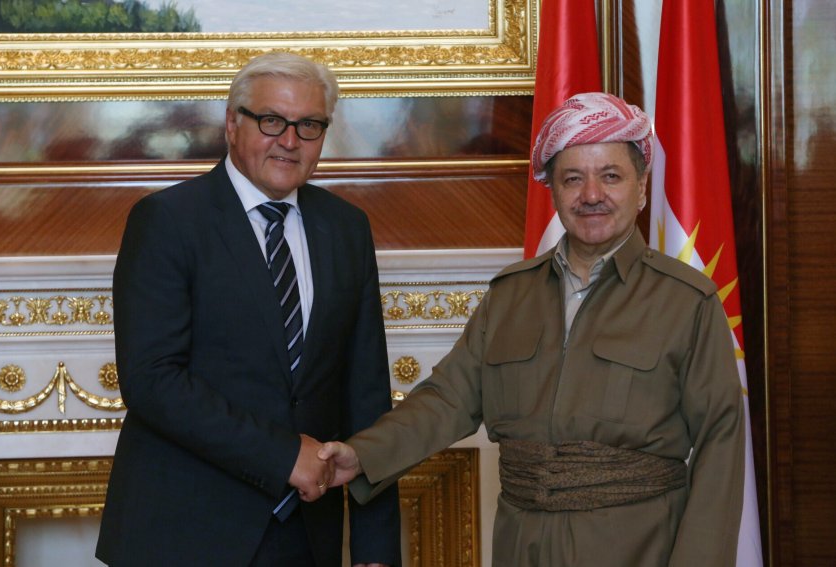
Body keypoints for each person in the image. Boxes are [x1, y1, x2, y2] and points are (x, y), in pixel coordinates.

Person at [320, 92, 745, 566]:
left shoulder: (686, 301)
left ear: (641, 187)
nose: (591, 195)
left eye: (611, 176)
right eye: (573, 179)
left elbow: (720, 443)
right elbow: (448, 399)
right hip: (523, 546)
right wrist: (362, 455)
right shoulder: (511, 295)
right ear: (554, 191)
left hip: (640, 548)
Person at [96, 52, 400, 567]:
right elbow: (152, 380)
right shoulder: (167, 220)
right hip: (185, 534)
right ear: (232, 124)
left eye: (309, 125)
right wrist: (284, 456)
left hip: (306, 535)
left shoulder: (346, 227)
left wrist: (375, 546)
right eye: (272, 120)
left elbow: (366, 392)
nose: (290, 141)